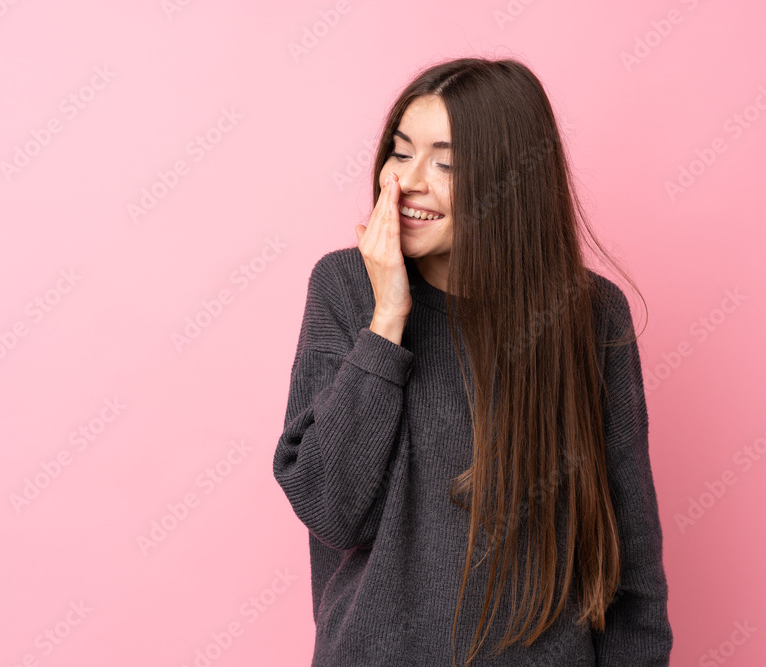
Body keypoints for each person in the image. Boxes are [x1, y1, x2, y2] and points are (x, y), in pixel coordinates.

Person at [273, 57, 672, 666]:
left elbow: (628, 556)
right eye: (400, 153)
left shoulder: (589, 315)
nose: (408, 182)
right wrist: (386, 326)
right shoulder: (345, 288)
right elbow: (330, 508)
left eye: (447, 163)